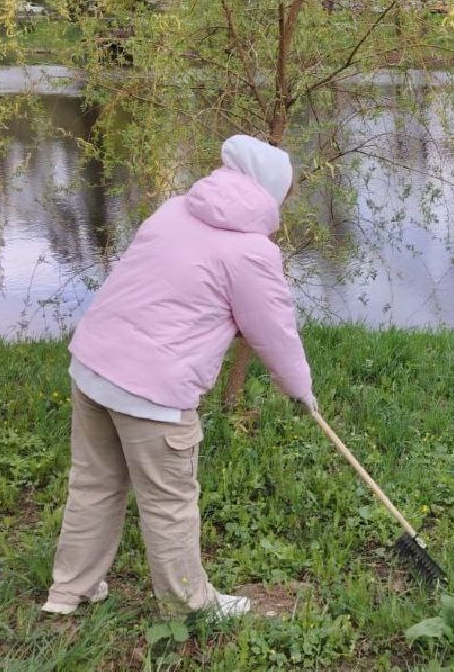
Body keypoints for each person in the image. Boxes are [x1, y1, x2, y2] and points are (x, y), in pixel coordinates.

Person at [41, 135, 317, 619]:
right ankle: (189, 607)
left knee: (93, 483)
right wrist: (301, 392)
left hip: (92, 366)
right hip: (152, 391)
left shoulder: (173, 210)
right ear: (271, 194)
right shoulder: (251, 253)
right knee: (169, 501)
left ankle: (68, 592)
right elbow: (275, 334)